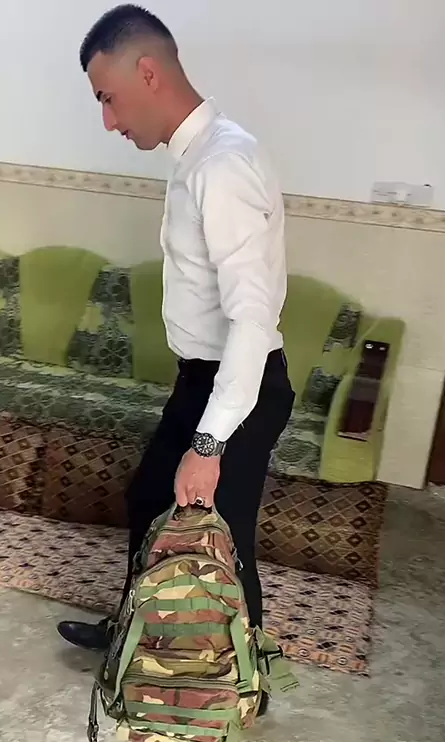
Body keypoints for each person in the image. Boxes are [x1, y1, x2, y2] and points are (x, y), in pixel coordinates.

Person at [57, 4, 295, 665]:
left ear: (148, 72)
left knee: (224, 534)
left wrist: (210, 443)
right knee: (148, 499)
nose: (108, 121)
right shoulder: (199, 156)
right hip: (203, 378)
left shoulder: (223, 164)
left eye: (107, 99)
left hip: (238, 386)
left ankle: (241, 678)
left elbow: (252, 317)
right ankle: (135, 633)